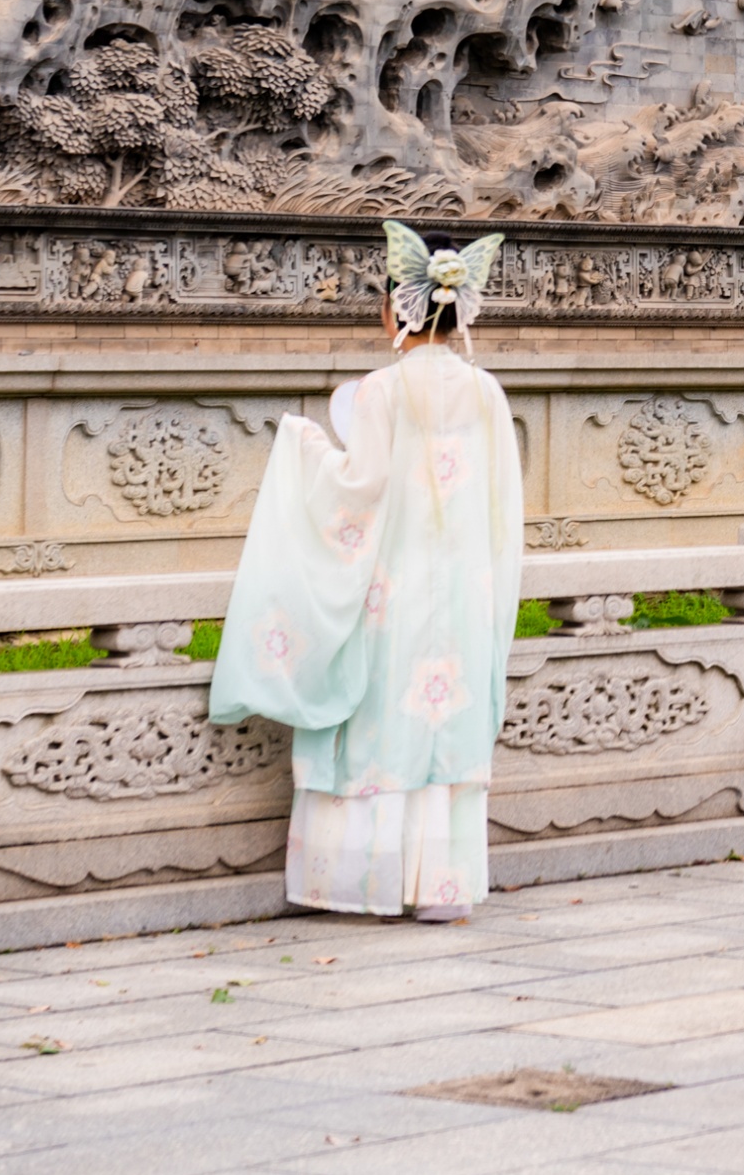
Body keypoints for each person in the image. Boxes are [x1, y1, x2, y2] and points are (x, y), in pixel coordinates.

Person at [208, 222, 527, 921]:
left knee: (381, 722)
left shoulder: (382, 392)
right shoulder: (489, 395)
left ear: (393, 309)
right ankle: (440, 887)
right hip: (464, 598)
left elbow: (357, 490)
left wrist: (305, 448)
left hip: (395, 593)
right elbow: (503, 509)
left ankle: (366, 879)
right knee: (443, 724)